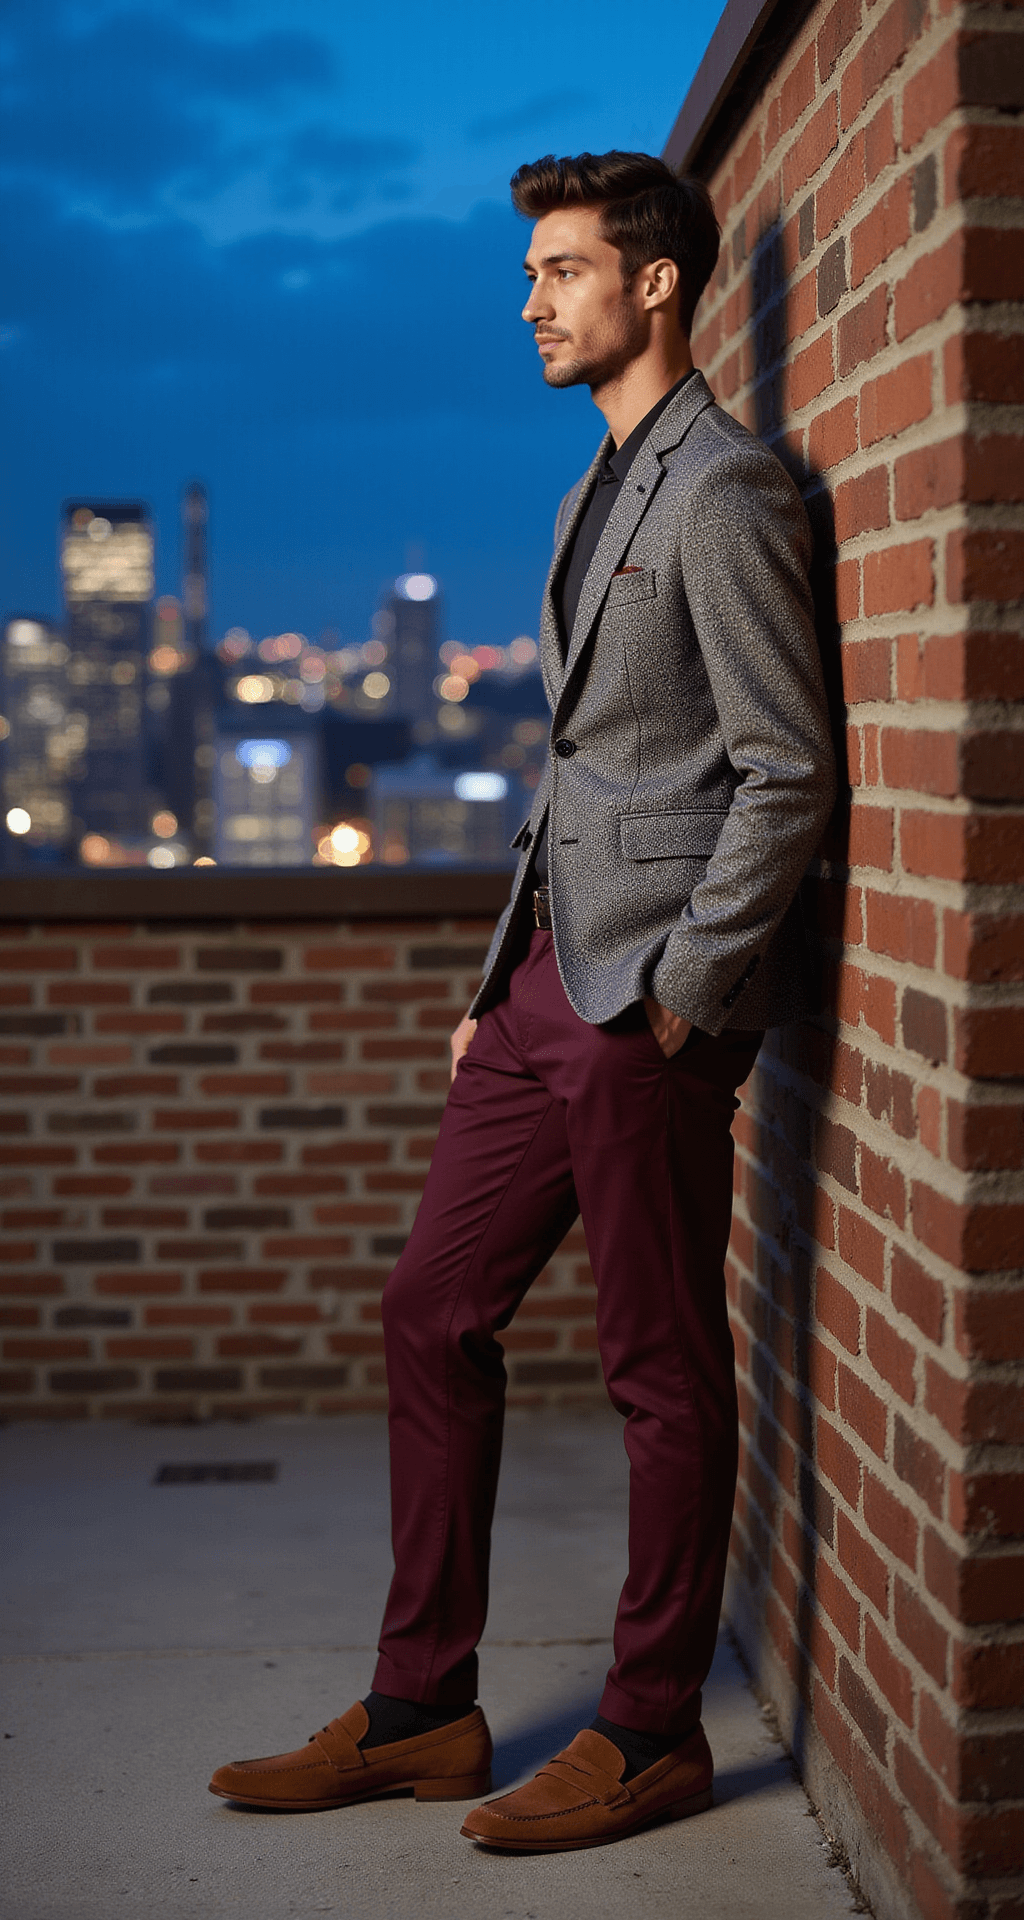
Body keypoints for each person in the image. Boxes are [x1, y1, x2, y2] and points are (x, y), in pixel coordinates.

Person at [209, 150, 836, 1853]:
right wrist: (506, 979)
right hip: (547, 989)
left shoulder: (726, 489)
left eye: (561, 271)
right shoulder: (586, 502)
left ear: (656, 282)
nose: (529, 303)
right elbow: (581, 770)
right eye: (532, 274)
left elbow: (787, 769)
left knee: (658, 1371)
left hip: (651, 1007)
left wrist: (682, 993)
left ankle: (650, 1732)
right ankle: (425, 1708)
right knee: (431, 1310)